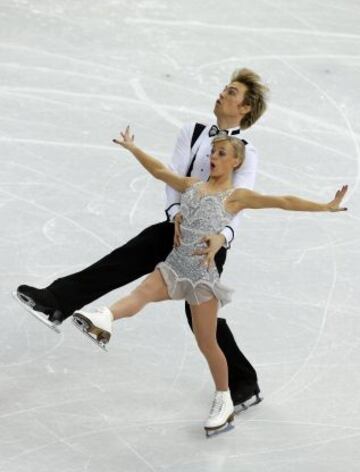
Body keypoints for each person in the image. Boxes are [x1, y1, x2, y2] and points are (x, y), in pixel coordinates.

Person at [16, 68, 268, 410]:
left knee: (200, 320)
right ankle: (56, 301)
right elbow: (172, 177)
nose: (222, 93)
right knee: (123, 260)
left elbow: (241, 201)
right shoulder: (192, 132)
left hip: (208, 243)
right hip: (177, 225)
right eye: (224, 88)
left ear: (245, 109)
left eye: (232, 92)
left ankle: (243, 382)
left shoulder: (246, 152)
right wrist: (175, 214)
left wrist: (222, 237)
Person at [72, 125, 348, 435]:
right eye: (212, 151)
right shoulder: (192, 185)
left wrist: (324, 206)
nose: (212, 157)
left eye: (221, 153)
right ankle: (104, 318)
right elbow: (161, 172)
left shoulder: (236, 196)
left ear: (236, 162)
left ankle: (224, 399)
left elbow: (282, 200)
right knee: (142, 294)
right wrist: (134, 149)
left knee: (207, 343)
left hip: (202, 277)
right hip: (174, 266)